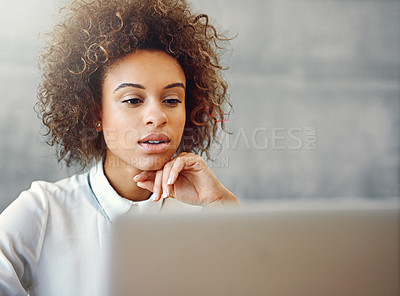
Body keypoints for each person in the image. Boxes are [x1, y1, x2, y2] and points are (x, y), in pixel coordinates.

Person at [0, 0, 238, 294]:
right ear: (96, 113)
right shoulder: (44, 211)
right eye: (133, 100)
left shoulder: (206, 217)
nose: (157, 116)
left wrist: (223, 209)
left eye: (172, 100)